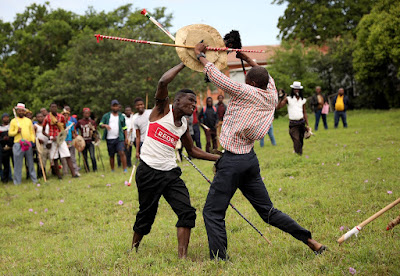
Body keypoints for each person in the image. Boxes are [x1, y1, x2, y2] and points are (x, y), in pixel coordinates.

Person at [195, 43, 326, 260]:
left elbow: (218, 77)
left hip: (232, 162)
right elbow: (263, 72)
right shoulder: (271, 93)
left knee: (213, 212)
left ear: (253, 83)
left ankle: (219, 260)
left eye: (247, 80)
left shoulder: (246, 90)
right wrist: (244, 56)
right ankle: (311, 241)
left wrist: (200, 55)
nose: (244, 82)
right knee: (268, 212)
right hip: (249, 160)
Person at [131, 63, 219, 259]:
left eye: (195, 102)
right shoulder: (162, 110)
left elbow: (193, 150)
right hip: (148, 171)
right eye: (190, 100)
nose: (194, 105)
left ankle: (183, 257)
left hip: (170, 173)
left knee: (186, 212)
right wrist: (185, 63)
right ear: (177, 101)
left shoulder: (184, 124)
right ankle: (133, 249)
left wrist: (219, 157)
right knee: (146, 214)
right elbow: (163, 81)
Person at [42, 103, 78, 179]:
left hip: (61, 139)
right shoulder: (47, 118)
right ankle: (59, 176)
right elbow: (43, 131)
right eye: (52, 107)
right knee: (54, 158)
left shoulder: (61, 117)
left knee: (67, 155)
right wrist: (50, 137)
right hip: (52, 139)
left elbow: (64, 128)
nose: (54, 109)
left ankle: (73, 174)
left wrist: (61, 135)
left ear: (57, 108)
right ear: (50, 108)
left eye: (55, 107)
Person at [277, 81, 310, 155]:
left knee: (301, 140)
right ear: (292, 90)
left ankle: (299, 153)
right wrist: (281, 98)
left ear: (300, 90)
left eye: (298, 89)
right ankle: (298, 154)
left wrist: (307, 124)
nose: (296, 91)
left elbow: (304, 112)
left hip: (301, 122)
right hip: (293, 124)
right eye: (295, 89)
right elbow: (278, 107)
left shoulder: (302, 100)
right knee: (296, 139)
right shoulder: (288, 99)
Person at [8, 103, 37, 185]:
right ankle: (17, 182)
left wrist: (32, 141)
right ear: (17, 111)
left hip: (28, 144)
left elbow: (32, 132)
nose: (21, 112)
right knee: (18, 163)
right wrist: (16, 131)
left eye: (22, 111)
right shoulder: (13, 121)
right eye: (19, 110)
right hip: (18, 144)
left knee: (30, 162)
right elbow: (10, 133)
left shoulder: (28, 121)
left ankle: (34, 180)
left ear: (24, 111)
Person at [100, 100, 128, 172]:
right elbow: (100, 124)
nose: (115, 107)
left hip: (119, 138)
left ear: (118, 107)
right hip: (109, 138)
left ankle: (125, 168)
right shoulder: (106, 116)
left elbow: (124, 128)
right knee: (111, 155)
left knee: (121, 152)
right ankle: (112, 169)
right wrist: (105, 125)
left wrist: (126, 138)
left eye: (116, 106)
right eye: (114, 106)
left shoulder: (121, 116)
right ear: (111, 107)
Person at [76, 108, 98, 172]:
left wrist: (92, 128)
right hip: (83, 142)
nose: (87, 114)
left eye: (88, 113)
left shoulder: (92, 122)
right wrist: (77, 137)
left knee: (92, 156)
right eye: (85, 113)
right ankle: (87, 169)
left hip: (90, 141)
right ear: (83, 114)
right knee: (84, 157)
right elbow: (75, 128)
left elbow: (95, 131)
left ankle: (95, 169)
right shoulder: (80, 122)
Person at [60, 111, 80, 176]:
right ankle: (65, 172)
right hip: (63, 142)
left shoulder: (71, 123)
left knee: (72, 157)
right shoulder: (60, 124)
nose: (65, 117)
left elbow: (73, 133)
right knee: (63, 158)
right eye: (64, 115)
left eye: (66, 115)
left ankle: (75, 171)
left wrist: (76, 138)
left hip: (70, 141)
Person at [34, 112, 50, 179]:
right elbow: (33, 135)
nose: (40, 118)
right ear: (36, 118)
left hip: (48, 145)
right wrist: (37, 140)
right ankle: (41, 175)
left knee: (51, 159)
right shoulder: (35, 126)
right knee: (41, 161)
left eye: (41, 117)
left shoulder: (47, 125)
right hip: (40, 146)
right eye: (38, 117)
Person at [0, 113, 13, 183]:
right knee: (6, 164)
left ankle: (15, 178)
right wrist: (3, 139)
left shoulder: (11, 126)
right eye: (4, 117)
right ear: (2, 119)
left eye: (7, 117)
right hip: (4, 148)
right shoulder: (0, 128)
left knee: (14, 163)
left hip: (12, 147)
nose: (6, 119)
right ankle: (5, 179)